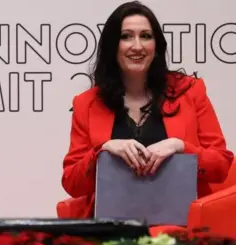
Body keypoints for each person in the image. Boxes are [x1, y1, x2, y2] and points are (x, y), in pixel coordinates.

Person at [61, 1, 234, 218]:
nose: (137, 46)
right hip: (112, 232)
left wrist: (181, 147)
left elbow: (221, 166)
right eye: (126, 37)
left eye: (145, 36)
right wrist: (102, 151)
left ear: (156, 45)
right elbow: (72, 183)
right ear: (113, 45)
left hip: (181, 230)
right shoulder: (86, 103)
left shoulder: (191, 91)